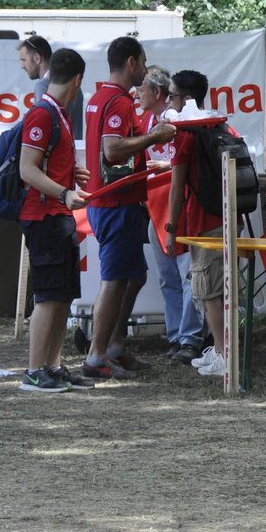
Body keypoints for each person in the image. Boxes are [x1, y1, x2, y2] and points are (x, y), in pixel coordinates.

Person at [82, 36, 174, 380]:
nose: (146, 69)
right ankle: (95, 356)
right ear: (131, 62)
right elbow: (112, 150)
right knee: (116, 280)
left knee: (134, 276)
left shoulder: (100, 97)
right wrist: (154, 137)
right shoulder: (118, 102)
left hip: (113, 200)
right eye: (144, 61)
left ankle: (116, 347)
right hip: (114, 203)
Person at [15, 48, 93, 392]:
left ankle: (53, 365)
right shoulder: (43, 113)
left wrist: (69, 173)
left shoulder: (59, 113)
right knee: (47, 296)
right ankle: (34, 370)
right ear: (78, 80)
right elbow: (26, 168)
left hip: (59, 216)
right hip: (43, 215)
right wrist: (63, 192)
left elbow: (44, 163)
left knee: (63, 295)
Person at [164, 69, 232, 379]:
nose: (169, 100)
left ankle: (223, 355)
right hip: (228, 219)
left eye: (173, 95)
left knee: (209, 292)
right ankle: (220, 350)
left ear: (187, 99)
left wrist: (171, 228)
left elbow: (177, 187)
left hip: (205, 223)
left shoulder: (186, 135)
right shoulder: (222, 127)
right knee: (218, 289)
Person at [136, 66, 205, 364]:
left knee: (189, 274)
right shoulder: (145, 119)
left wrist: (168, 168)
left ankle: (191, 338)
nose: (138, 95)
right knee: (168, 278)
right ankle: (176, 334)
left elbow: (185, 166)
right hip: (155, 205)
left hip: (184, 207)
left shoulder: (192, 124)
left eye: (142, 90)